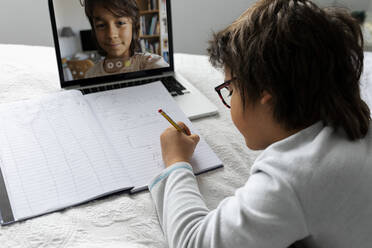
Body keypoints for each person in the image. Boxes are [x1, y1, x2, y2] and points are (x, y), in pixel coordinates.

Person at [149, 0, 372, 247]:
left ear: (267, 92)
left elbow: (192, 242)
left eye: (230, 88)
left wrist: (176, 162)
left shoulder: (290, 178)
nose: (229, 98)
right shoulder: (358, 122)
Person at [83, 0, 168, 78]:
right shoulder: (90, 75)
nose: (111, 35)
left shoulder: (147, 63)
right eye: (101, 25)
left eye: (120, 23)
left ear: (133, 26)